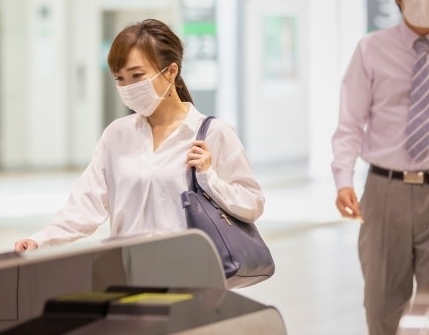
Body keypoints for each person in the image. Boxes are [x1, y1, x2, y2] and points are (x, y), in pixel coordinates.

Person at [14, 19, 264, 252]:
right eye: (120, 78)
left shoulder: (213, 133)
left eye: (137, 76)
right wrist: (40, 239)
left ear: (171, 71)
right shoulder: (116, 135)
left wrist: (209, 178)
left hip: (190, 269)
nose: (128, 87)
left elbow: (253, 204)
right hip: (127, 269)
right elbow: (85, 204)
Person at [332, 0, 429, 335]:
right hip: (386, 190)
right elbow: (350, 122)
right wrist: (343, 179)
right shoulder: (372, 49)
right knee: (383, 306)